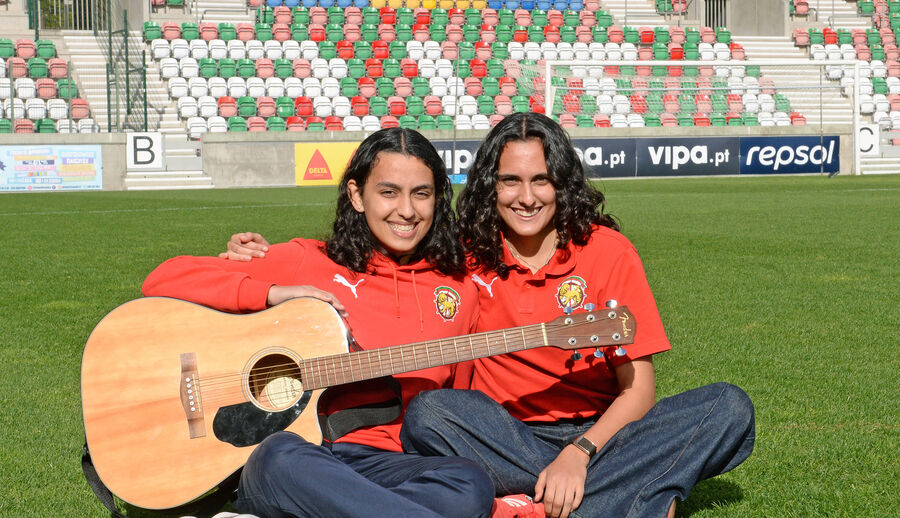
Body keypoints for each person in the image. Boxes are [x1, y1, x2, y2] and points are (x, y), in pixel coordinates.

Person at [222, 113, 756, 518]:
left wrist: (580, 453)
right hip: (494, 435)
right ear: (489, 187)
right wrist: (254, 266)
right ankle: (633, 493)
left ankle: (567, 497)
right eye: (509, 182)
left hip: (599, 434)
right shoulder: (464, 255)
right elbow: (375, 259)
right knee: (433, 414)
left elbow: (638, 389)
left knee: (728, 407)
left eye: (541, 180)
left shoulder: (608, 252)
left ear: (561, 183)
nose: (526, 198)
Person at [141, 127, 497, 518]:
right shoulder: (308, 261)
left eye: (421, 194)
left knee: (470, 483)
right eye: (389, 192)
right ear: (357, 196)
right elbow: (164, 277)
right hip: (304, 458)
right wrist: (274, 293)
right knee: (278, 455)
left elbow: (454, 404)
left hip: (390, 466)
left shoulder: (459, 289)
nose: (407, 211)